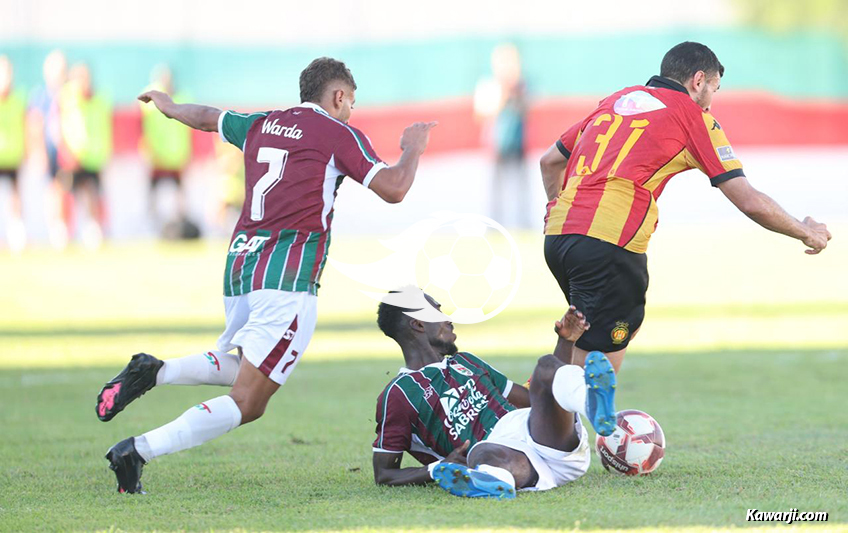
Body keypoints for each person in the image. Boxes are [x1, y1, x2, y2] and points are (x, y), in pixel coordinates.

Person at [96, 57, 437, 493]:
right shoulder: (337, 134)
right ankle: (137, 451)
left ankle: (155, 371)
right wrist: (413, 148)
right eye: (351, 102)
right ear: (338, 96)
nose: (351, 111)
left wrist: (170, 106)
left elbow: (209, 118)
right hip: (288, 278)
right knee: (249, 401)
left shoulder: (264, 123)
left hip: (241, 269)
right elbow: (394, 188)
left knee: (247, 367)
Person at [539, 41, 831, 373]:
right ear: (698, 80)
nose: (711, 101)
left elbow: (550, 162)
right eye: (714, 89)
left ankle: (540, 402)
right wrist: (806, 232)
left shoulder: (617, 100)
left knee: (590, 334)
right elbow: (749, 201)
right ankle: (537, 404)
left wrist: (562, 213)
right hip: (608, 242)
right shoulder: (693, 117)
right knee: (597, 363)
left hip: (559, 236)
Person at [372, 296, 617, 498]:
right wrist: (438, 468)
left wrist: (566, 341)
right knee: (481, 452)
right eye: (437, 311)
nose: (448, 319)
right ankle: (490, 482)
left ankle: (591, 405)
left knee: (546, 366)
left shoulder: (467, 361)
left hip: (545, 436)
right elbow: (384, 473)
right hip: (514, 461)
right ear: (418, 324)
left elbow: (536, 400)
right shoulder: (399, 394)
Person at [473, 43, 530, 228]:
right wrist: (502, 97)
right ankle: (494, 225)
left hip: (518, 144)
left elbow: (526, 111)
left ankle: (523, 224)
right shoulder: (489, 85)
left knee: (520, 189)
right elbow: (480, 114)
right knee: (496, 191)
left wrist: (517, 94)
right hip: (496, 145)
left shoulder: (522, 86)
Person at [59, 63, 112, 248]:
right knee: (66, 193)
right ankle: (63, 232)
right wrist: (66, 150)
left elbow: (104, 127)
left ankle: (93, 231)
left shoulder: (99, 99)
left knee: (92, 193)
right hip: (72, 155)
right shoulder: (67, 97)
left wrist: (104, 152)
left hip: (92, 156)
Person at [139, 65, 195, 237]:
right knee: (153, 193)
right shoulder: (149, 102)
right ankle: (152, 225)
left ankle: (181, 225)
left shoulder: (183, 98)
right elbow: (142, 127)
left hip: (176, 156)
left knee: (179, 193)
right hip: (157, 156)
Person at [27, 49, 69, 248]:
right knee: (52, 188)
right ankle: (55, 228)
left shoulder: (70, 94)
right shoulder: (40, 96)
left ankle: (68, 226)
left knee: (67, 187)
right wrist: (38, 152)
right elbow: (34, 125)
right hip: (49, 148)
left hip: (68, 149)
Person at [0, 55, 27, 252]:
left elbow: (26, 126)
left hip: (12, 155)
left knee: (15, 195)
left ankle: (16, 234)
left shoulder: (18, 99)